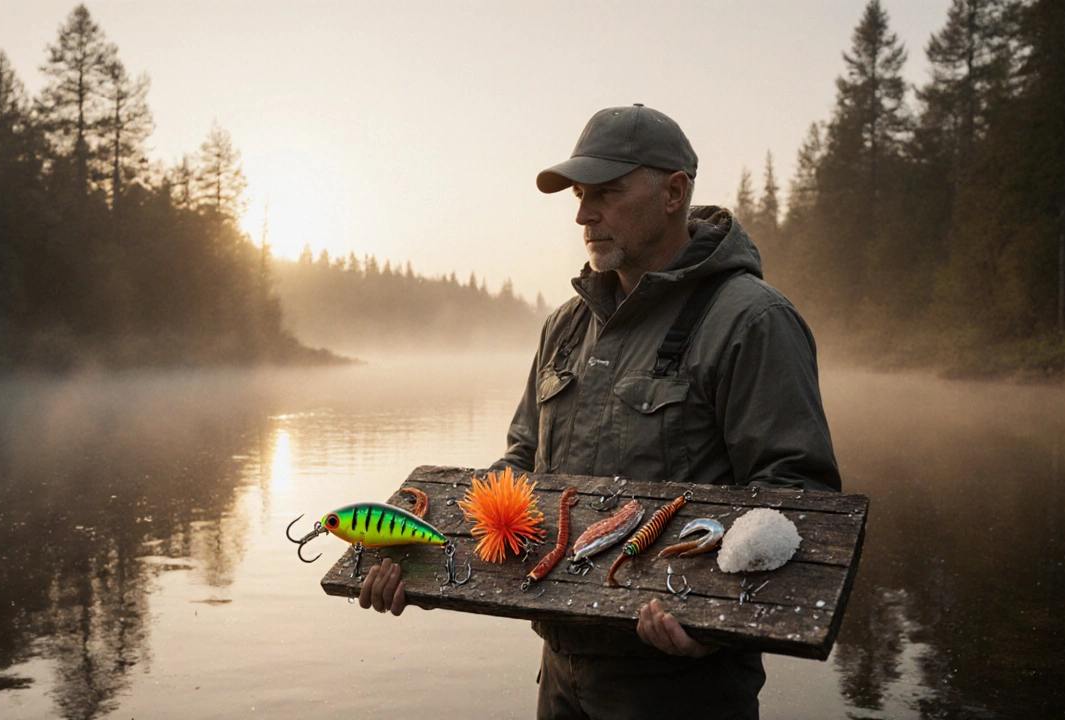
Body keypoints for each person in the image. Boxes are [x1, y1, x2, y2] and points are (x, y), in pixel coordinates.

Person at [360, 104, 840, 719]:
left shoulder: (752, 321)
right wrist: (426, 560)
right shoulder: (565, 326)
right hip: (561, 672)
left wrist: (713, 627)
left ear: (674, 193)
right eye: (580, 195)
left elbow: (798, 500)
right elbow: (520, 468)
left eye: (606, 193)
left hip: (682, 687)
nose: (584, 214)